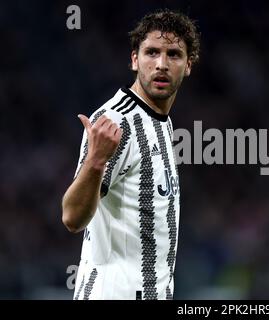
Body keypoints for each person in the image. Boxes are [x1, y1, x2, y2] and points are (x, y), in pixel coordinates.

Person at [61, 9, 200, 300]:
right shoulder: (117, 121)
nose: (161, 64)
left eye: (173, 54)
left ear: (189, 64)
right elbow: (72, 217)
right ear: (135, 60)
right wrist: (96, 161)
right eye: (151, 52)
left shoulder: (160, 121)